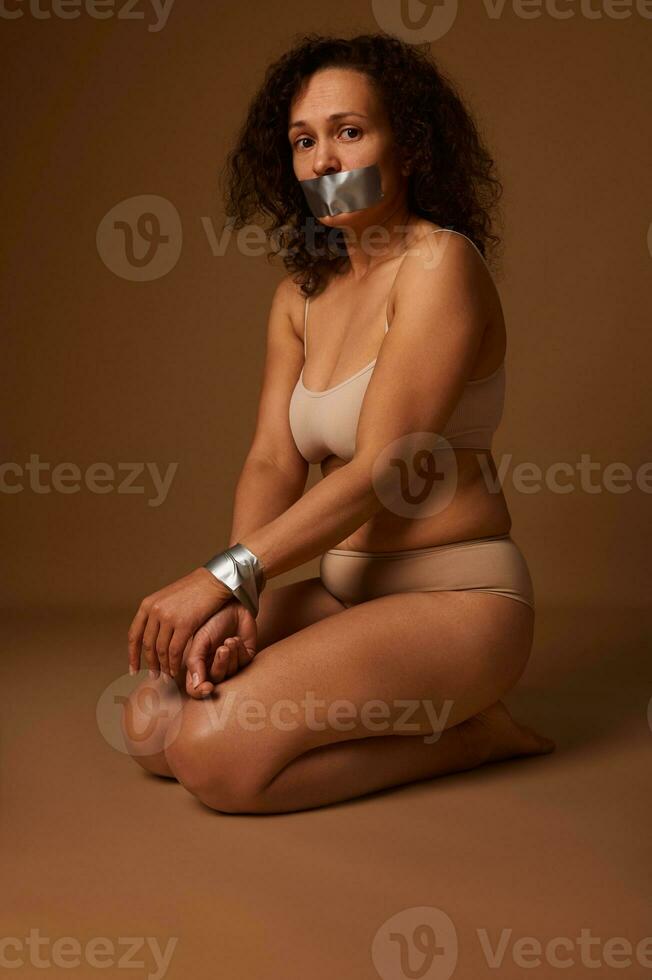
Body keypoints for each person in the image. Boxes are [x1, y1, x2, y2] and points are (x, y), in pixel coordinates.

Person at [122, 33, 554, 814]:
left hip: (458, 601)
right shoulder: (301, 294)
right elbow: (271, 460)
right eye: (304, 141)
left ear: (410, 147)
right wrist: (238, 605)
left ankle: (475, 733)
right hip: (345, 592)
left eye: (349, 132)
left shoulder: (439, 265)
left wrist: (220, 575)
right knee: (149, 722)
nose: (324, 161)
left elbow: (382, 466)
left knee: (212, 759)